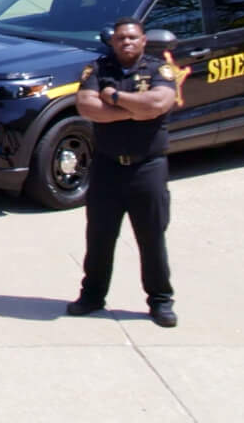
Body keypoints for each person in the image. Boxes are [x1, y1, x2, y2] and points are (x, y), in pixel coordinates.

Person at [67, 18, 181, 326]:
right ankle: (92, 296)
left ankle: (160, 301)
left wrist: (115, 98)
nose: (126, 42)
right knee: (99, 237)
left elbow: (159, 102)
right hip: (107, 167)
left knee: (152, 237)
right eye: (120, 38)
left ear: (144, 40)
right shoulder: (98, 69)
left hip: (148, 167)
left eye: (132, 37)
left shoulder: (159, 69)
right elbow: (87, 107)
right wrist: (137, 110)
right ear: (113, 42)